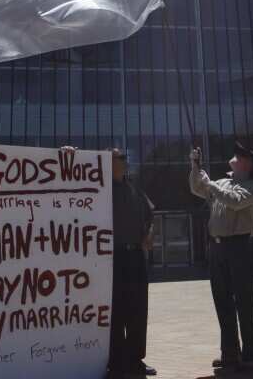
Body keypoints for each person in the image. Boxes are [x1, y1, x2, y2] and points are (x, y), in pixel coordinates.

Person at [190, 143, 253, 374]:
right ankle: (230, 354)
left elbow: (235, 201)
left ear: (248, 164)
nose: (235, 156)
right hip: (217, 248)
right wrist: (195, 166)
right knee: (222, 302)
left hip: (240, 247)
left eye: (241, 155)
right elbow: (196, 188)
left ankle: (250, 355)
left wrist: (210, 183)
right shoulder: (221, 182)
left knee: (244, 302)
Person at [108, 148, 157, 378]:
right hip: (113, 258)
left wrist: (149, 233)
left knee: (138, 310)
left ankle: (135, 360)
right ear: (109, 162)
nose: (125, 161)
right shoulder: (101, 188)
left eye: (125, 158)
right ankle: (117, 362)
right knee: (116, 311)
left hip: (136, 257)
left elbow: (150, 215)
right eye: (120, 158)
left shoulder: (134, 187)